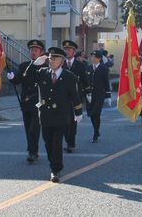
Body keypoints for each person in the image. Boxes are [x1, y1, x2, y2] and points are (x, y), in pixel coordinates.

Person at [31, 47, 83, 183]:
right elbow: (27, 77)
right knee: (48, 143)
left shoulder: (69, 77)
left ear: (62, 60)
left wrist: (78, 112)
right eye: (49, 58)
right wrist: (35, 63)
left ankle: (55, 170)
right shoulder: (42, 72)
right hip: (46, 116)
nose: (51, 61)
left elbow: (75, 96)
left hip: (61, 116)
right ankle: (53, 164)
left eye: (54, 58)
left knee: (57, 143)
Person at [6, 40, 47, 163]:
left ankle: (32, 152)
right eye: (31, 50)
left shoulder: (45, 66)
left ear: (41, 52)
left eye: (36, 50)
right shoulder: (24, 65)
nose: (33, 52)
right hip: (25, 102)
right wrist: (12, 78)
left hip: (38, 102)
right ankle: (32, 150)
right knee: (28, 127)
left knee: (34, 128)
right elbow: (18, 80)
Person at [62, 40, 90, 153]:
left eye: (69, 50)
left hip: (75, 97)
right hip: (62, 97)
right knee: (63, 121)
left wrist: (88, 93)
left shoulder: (80, 65)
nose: (67, 51)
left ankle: (71, 143)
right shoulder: (60, 63)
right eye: (65, 49)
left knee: (73, 121)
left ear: (74, 51)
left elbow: (84, 80)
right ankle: (67, 139)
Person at [86, 50, 111, 143]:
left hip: (99, 95)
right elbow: (86, 81)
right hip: (89, 95)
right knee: (91, 115)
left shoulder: (103, 68)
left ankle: (96, 133)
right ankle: (96, 130)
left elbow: (106, 82)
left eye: (95, 57)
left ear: (99, 58)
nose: (93, 58)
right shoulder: (88, 68)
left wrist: (108, 95)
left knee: (96, 114)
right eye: (92, 56)